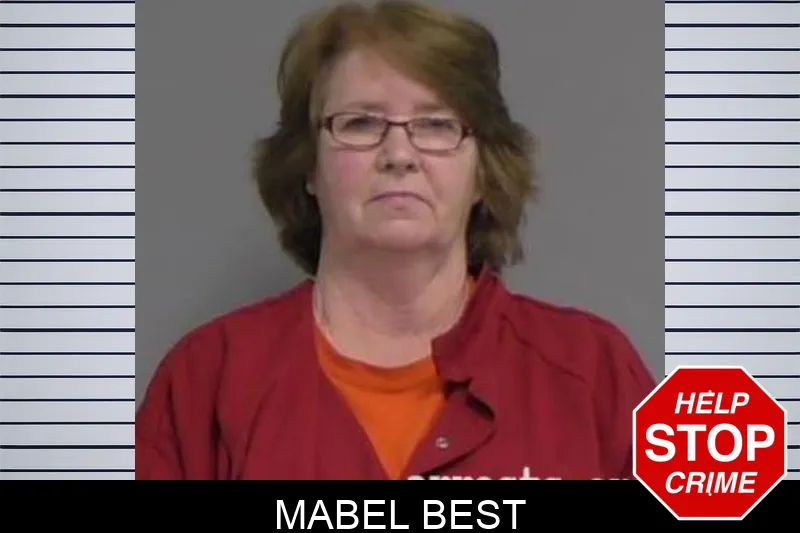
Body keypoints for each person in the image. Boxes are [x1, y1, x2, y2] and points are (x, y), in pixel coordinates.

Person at [135, 0, 656, 480]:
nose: (400, 155)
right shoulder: (208, 380)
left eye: (436, 125)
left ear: (483, 171)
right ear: (308, 166)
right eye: (361, 123)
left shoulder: (595, 374)